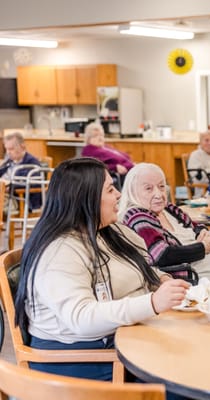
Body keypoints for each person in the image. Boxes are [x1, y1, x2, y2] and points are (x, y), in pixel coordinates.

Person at [13, 157, 190, 382]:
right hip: (79, 362)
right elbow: (81, 318)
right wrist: (152, 303)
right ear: (85, 197)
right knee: (187, 378)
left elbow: (141, 266)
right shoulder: (59, 251)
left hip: (120, 341)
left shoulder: (105, 231)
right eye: (110, 189)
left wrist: (162, 279)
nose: (118, 194)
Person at [119, 163, 210, 284]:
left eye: (161, 187)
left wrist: (202, 232)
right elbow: (161, 255)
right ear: (132, 191)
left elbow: (194, 225)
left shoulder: (168, 208)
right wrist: (203, 248)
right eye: (149, 188)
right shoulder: (137, 216)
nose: (158, 194)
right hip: (195, 287)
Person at [0, 131, 42, 209]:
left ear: (22, 146)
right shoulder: (9, 161)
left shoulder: (32, 163)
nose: (8, 152)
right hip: (4, 194)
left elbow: (33, 184)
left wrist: (10, 187)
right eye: (6, 149)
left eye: (11, 149)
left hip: (19, 199)